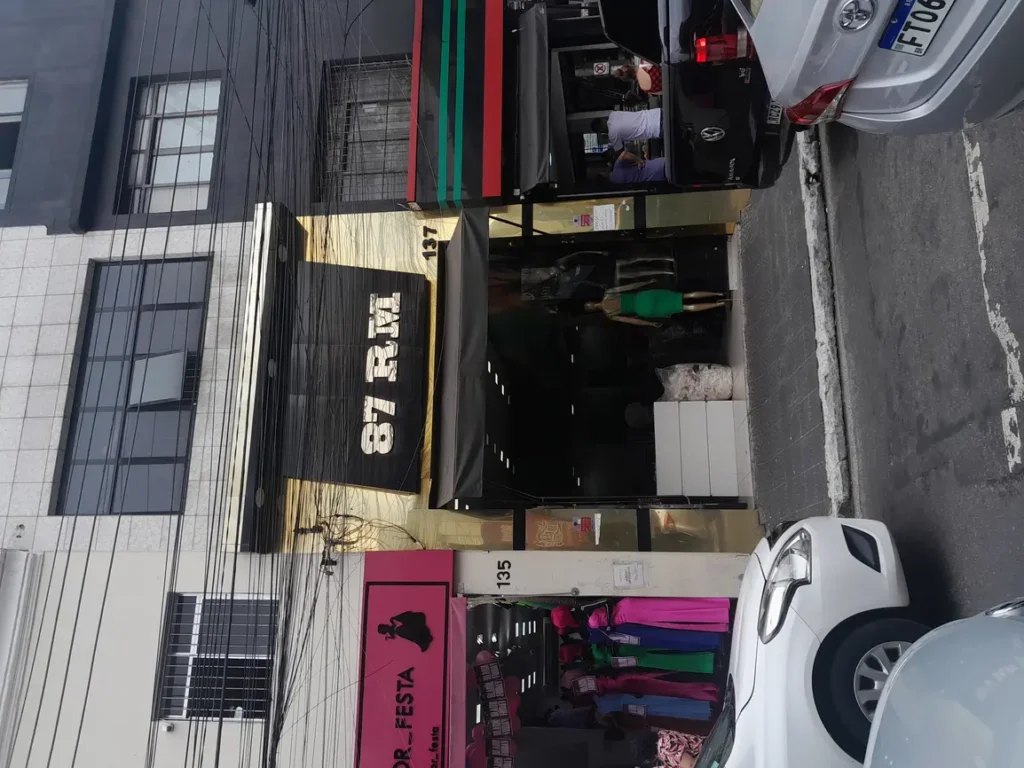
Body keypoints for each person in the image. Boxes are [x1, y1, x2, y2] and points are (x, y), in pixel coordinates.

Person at [585, 282, 730, 327]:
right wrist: (646, 282)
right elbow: (630, 286)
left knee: (684, 308)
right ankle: (719, 294)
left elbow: (631, 320)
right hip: (644, 297)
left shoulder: (609, 314)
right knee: (686, 295)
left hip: (644, 309)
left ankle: (719, 305)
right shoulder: (609, 293)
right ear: (592, 302)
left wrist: (650, 323)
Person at [593, 109, 662, 151]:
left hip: (656, 129)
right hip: (656, 113)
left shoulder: (612, 134)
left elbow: (621, 153)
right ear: (603, 119)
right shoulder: (613, 114)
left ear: (600, 130)